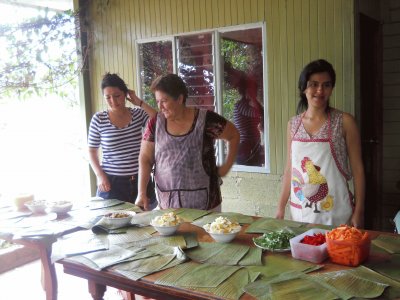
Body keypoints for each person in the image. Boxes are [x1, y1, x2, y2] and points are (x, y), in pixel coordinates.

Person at [275, 59, 365, 228]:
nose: (320, 90)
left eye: (326, 85)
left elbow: (358, 170)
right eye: (313, 84)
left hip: (337, 212)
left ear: (332, 88)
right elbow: (289, 169)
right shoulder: (293, 125)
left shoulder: (344, 122)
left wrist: (359, 211)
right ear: (303, 88)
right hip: (301, 212)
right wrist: (280, 208)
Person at [135, 74, 240, 211]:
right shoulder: (155, 123)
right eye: (158, 101)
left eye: (164, 101)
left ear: (179, 98)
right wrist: (141, 193)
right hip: (168, 204)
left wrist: (226, 166)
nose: (160, 107)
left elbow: (234, 135)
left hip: (206, 204)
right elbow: (145, 158)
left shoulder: (206, 120)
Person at [88, 73, 157, 207]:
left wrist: (138, 102)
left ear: (125, 94)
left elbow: (158, 120)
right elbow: (91, 151)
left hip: (140, 181)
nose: (113, 101)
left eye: (117, 96)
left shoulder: (138, 114)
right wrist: (100, 175)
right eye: (108, 97)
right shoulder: (99, 119)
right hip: (112, 182)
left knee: (144, 224)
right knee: (113, 223)